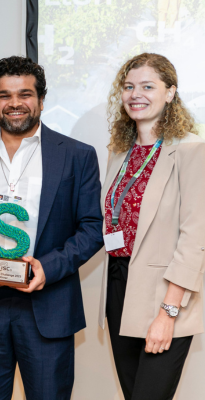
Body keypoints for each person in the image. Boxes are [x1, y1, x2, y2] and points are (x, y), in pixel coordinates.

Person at [0, 56, 103, 400]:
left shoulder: (76, 155)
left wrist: (49, 267)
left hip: (48, 305)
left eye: (25, 94)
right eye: (4, 96)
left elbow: (91, 228)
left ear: (41, 100)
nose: (15, 103)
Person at [99, 53, 205, 400]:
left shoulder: (192, 149)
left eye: (148, 86)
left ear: (170, 92)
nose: (135, 94)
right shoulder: (120, 151)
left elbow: (195, 240)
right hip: (118, 286)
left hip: (165, 293)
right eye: (128, 87)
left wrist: (168, 312)